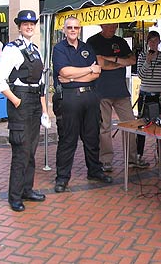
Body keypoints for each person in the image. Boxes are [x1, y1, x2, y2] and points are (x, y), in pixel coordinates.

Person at [0, 10, 49, 212]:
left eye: (32, 24)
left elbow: (41, 82)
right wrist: (16, 101)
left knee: (31, 149)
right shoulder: (12, 49)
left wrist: (44, 111)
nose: (29, 26)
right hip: (21, 100)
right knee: (20, 150)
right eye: (25, 24)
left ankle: (27, 189)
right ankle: (15, 196)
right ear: (19, 26)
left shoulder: (35, 49)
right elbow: (0, 81)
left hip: (35, 100)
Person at [52, 16, 113, 193]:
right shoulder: (59, 49)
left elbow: (97, 73)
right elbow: (63, 71)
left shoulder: (87, 48)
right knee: (67, 140)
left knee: (92, 138)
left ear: (80, 29)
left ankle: (94, 171)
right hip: (70, 99)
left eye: (76, 28)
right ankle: (62, 178)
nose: (73, 30)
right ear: (64, 30)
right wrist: (87, 70)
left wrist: (72, 77)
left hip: (90, 98)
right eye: (69, 27)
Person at [86, 23, 149, 171]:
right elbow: (100, 64)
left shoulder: (121, 41)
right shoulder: (93, 41)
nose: (112, 28)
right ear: (102, 24)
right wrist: (120, 61)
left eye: (114, 25)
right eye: (109, 25)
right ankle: (105, 161)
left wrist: (111, 59)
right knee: (104, 128)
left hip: (121, 91)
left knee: (131, 124)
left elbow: (132, 60)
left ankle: (132, 159)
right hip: (101, 91)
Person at [137, 31, 161, 164]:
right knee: (142, 124)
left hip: (159, 97)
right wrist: (147, 61)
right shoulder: (142, 56)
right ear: (147, 42)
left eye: (155, 41)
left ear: (159, 42)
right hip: (145, 96)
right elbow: (140, 75)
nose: (153, 44)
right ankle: (139, 153)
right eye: (151, 41)